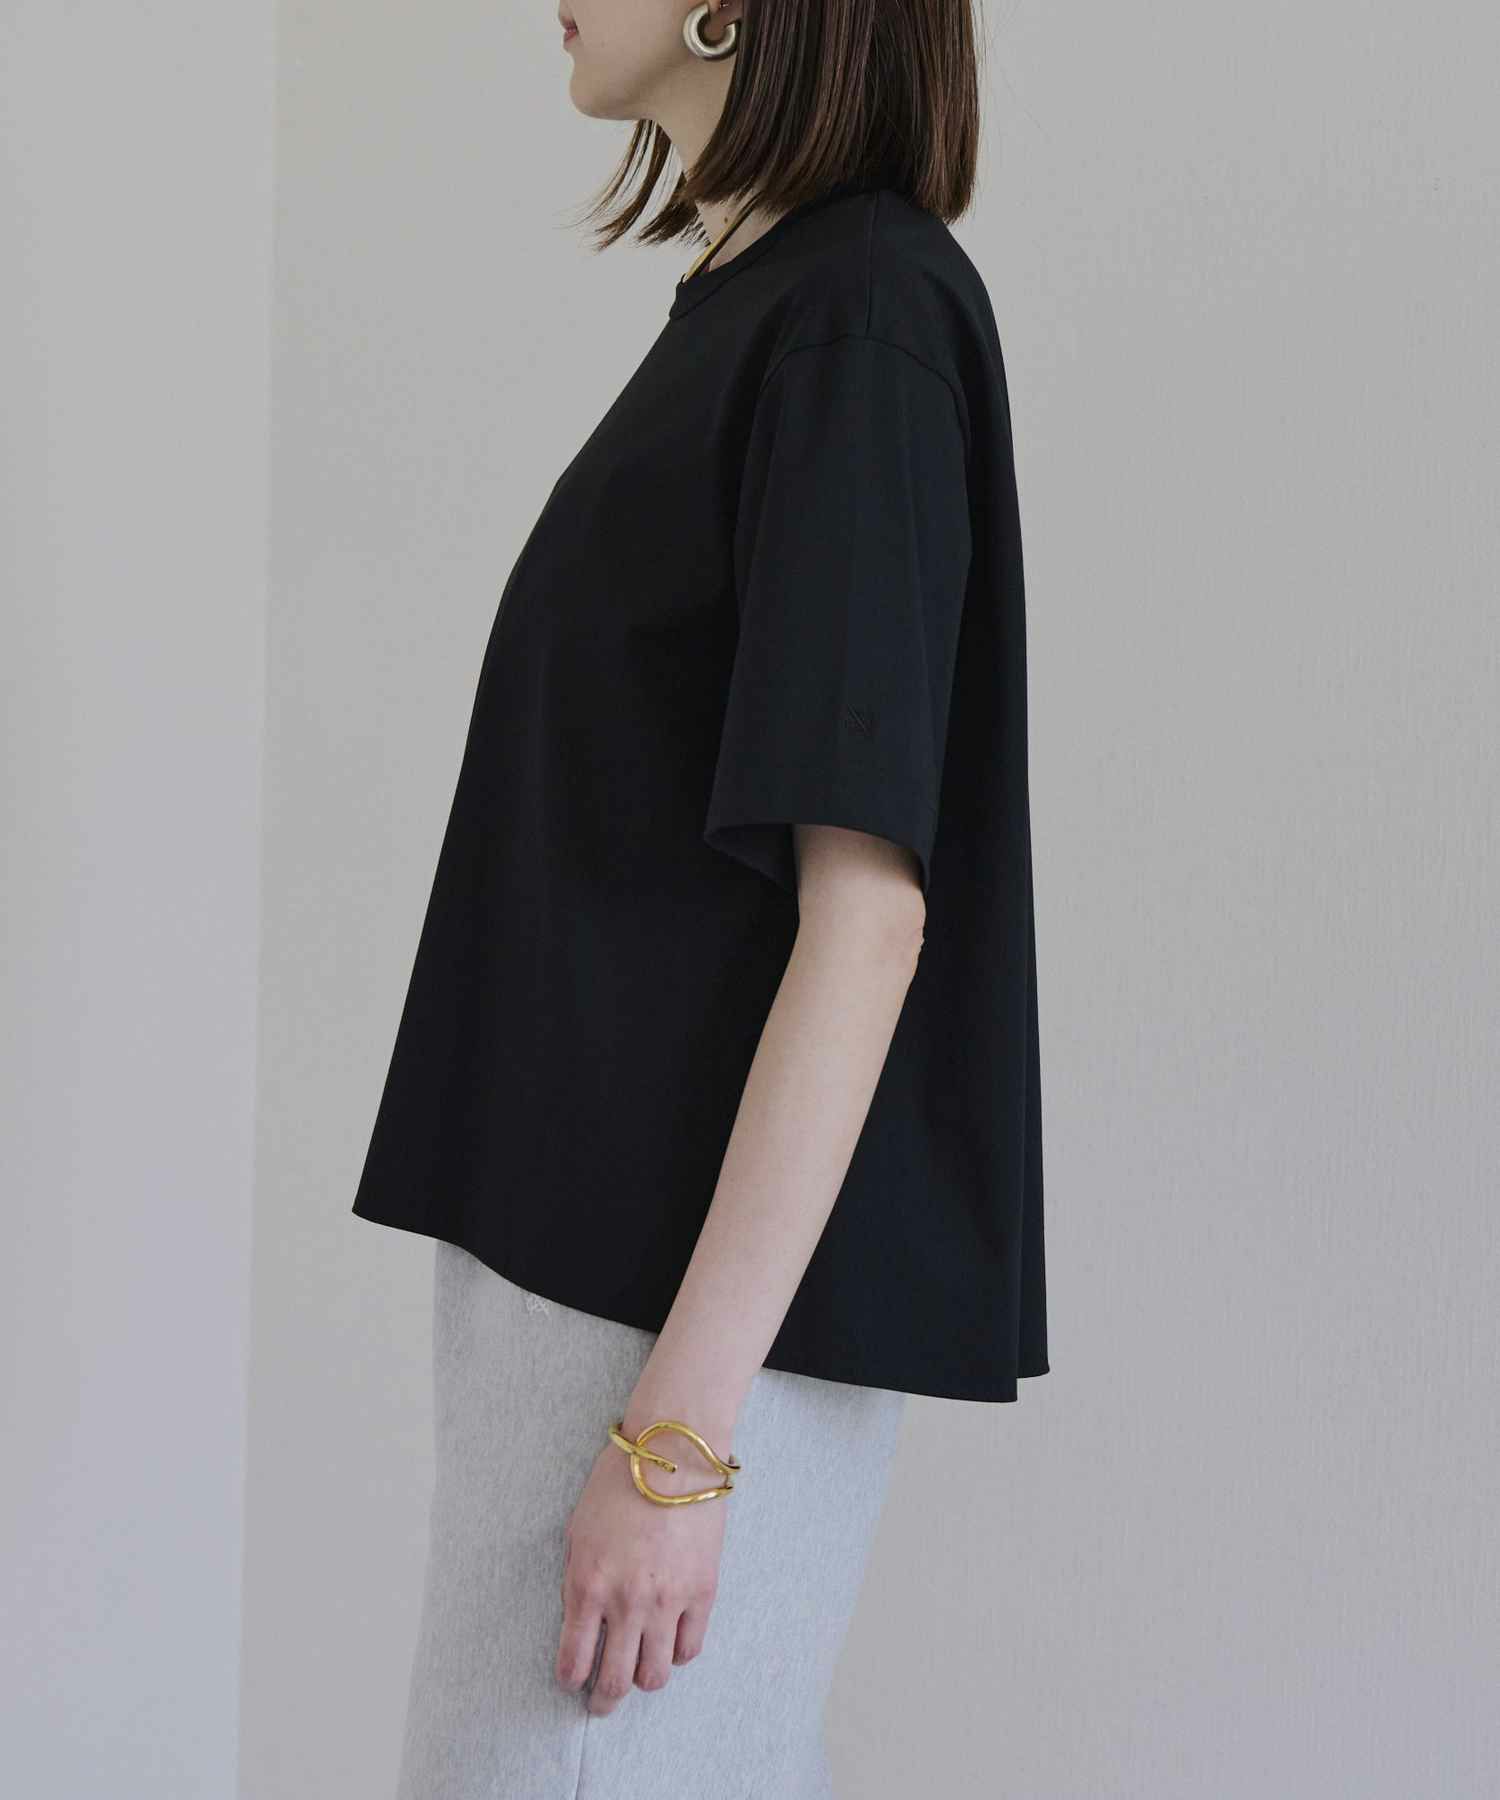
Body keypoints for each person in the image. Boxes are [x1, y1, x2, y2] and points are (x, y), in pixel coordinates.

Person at [349, 0, 1048, 1792]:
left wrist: (675, 1440)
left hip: (666, 1345)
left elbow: (869, 918)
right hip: (599, 1315)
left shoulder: (861, 317)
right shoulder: (769, 306)